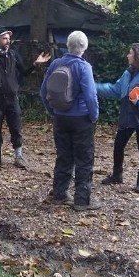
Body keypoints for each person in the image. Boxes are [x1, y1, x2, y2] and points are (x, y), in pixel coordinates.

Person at [40, 30, 100, 211]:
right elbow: (90, 95)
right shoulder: (84, 67)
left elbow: (43, 91)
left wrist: (52, 109)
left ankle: (59, 193)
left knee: (63, 155)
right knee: (84, 158)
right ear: (85, 47)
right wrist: (94, 116)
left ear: (67, 45)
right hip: (81, 119)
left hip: (60, 117)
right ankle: (82, 200)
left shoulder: (55, 64)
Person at [96, 43, 139, 193]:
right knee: (119, 145)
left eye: (130, 53)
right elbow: (115, 89)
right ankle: (117, 175)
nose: (128, 55)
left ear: (138, 56)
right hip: (127, 114)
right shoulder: (127, 73)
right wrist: (92, 87)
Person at [0, 28, 51, 170]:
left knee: (16, 127)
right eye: (4, 39)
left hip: (12, 99)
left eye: (8, 39)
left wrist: (35, 64)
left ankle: (18, 157)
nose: (7, 41)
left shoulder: (14, 55)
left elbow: (24, 72)